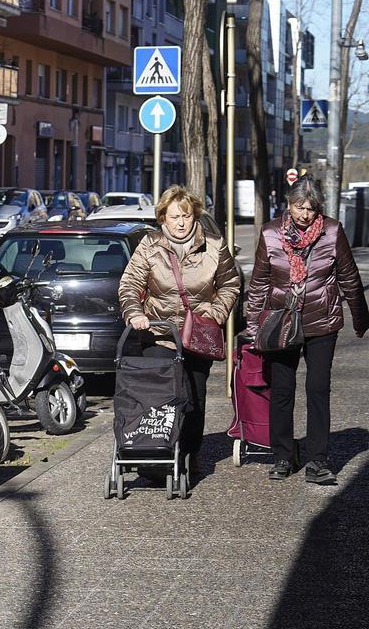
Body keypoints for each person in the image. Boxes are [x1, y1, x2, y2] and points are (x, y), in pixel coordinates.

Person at [245, 176, 368, 485]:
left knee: (318, 388)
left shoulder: (332, 231)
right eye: (299, 207)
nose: (304, 215)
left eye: (311, 209)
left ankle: (318, 459)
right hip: (281, 321)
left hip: (322, 320)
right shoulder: (271, 233)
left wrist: (360, 318)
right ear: (289, 205)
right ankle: (283, 456)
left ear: (318, 209)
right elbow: (259, 283)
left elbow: (349, 277)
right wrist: (252, 327)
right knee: (283, 390)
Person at [118, 185, 241, 476]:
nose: (181, 222)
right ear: (163, 218)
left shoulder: (213, 245)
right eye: (174, 216)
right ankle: (155, 454)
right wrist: (135, 313)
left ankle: (188, 452)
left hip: (198, 335)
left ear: (194, 216)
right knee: (158, 397)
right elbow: (130, 285)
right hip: (158, 335)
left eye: (185, 215)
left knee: (193, 399)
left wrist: (213, 313)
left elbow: (230, 284)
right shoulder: (149, 245)